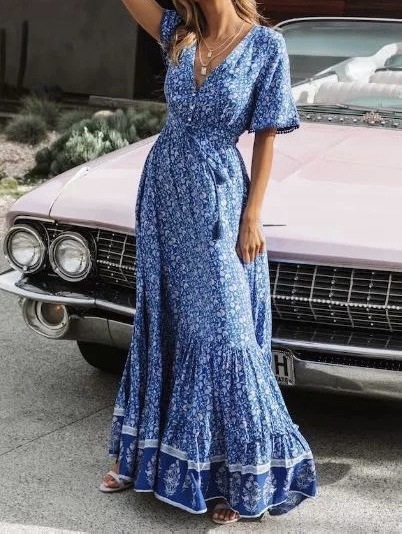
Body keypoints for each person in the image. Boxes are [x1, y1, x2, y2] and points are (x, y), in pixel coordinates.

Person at [100, 0, 317, 525]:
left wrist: (252, 216)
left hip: (219, 196)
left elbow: (266, 138)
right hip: (165, 190)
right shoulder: (178, 31)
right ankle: (140, 457)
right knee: (164, 320)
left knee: (226, 333)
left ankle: (234, 475)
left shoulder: (266, 46)